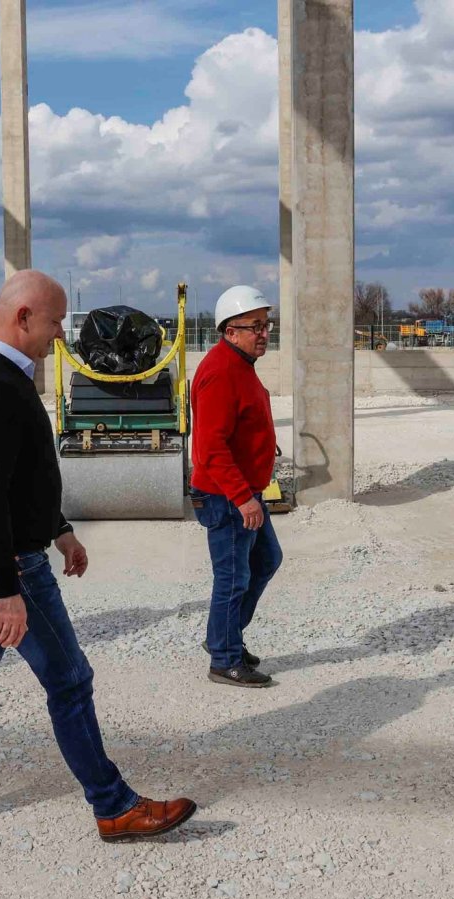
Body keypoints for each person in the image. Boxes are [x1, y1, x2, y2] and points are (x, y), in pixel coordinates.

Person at [0, 269, 196, 842]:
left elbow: (22, 476)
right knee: (69, 680)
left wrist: (60, 530)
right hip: (5, 567)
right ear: (23, 316)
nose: (61, 336)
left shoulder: (2, 374)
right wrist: (5, 590)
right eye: (55, 322)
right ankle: (114, 806)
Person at [188, 285, 283, 688]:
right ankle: (224, 660)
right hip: (226, 497)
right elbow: (210, 448)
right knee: (233, 578)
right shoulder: (221, 372)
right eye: (254, 326)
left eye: (266, 325)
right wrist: (243, 498)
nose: (264, 333)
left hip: (244, 492)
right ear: (230, 331)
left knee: (267, 560)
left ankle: (222, 636)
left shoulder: (240, 364)